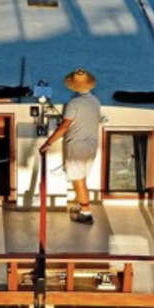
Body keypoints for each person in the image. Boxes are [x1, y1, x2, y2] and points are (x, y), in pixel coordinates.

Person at [39, 68, 101, 224]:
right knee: (82, 178)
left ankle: (86, 214)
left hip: (77, 146)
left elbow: (64, 127)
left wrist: (48, 143)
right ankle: (83, 207)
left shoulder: (74, 103)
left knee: (78, 181)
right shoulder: (95, 101)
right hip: (91, 145)